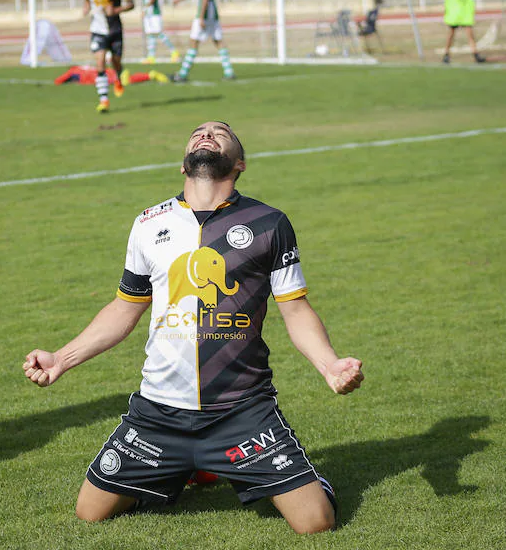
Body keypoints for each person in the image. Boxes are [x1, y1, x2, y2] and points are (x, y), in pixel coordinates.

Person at [24, 121, 364, 532]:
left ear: (239, 162)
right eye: (197, 132)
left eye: (220, 132)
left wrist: (329, 365)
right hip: (159, 412)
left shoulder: (268, 222)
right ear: (184, 165)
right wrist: (62, 358)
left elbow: (295, 309)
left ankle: (291, 478)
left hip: (241, 410)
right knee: (89, 512)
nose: (206, 134)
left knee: (315, 523)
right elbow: (124, 308)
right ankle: (184, 467)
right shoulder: (149, 223)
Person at [171, 0, 235, 82]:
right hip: (212, 11)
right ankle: (229, 72)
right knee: (218, 40)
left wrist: (201, 17)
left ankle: (182, 74)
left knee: (194, 41)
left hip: (206, 11)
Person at [83, 0, 134, 114]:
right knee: (100, 64)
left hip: (115, 30)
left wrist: (117, 10)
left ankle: (118, 76)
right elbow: (87, 0)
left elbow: (131, 3)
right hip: (98, 30)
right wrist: (85, 9)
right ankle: (103, 100)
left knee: (116, 62)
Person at [431, 0, 485, 64]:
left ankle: (476, 55)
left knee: (470, 35)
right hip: (454, 17)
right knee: (450, 36)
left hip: (465, 16)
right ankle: (446, 55)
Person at [131, 0, 178, 64]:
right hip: (148, 14)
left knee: (158, 33)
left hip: (153, 13)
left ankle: (174, 52)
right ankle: (151, 57)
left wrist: (145, 9)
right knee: (150, 35)